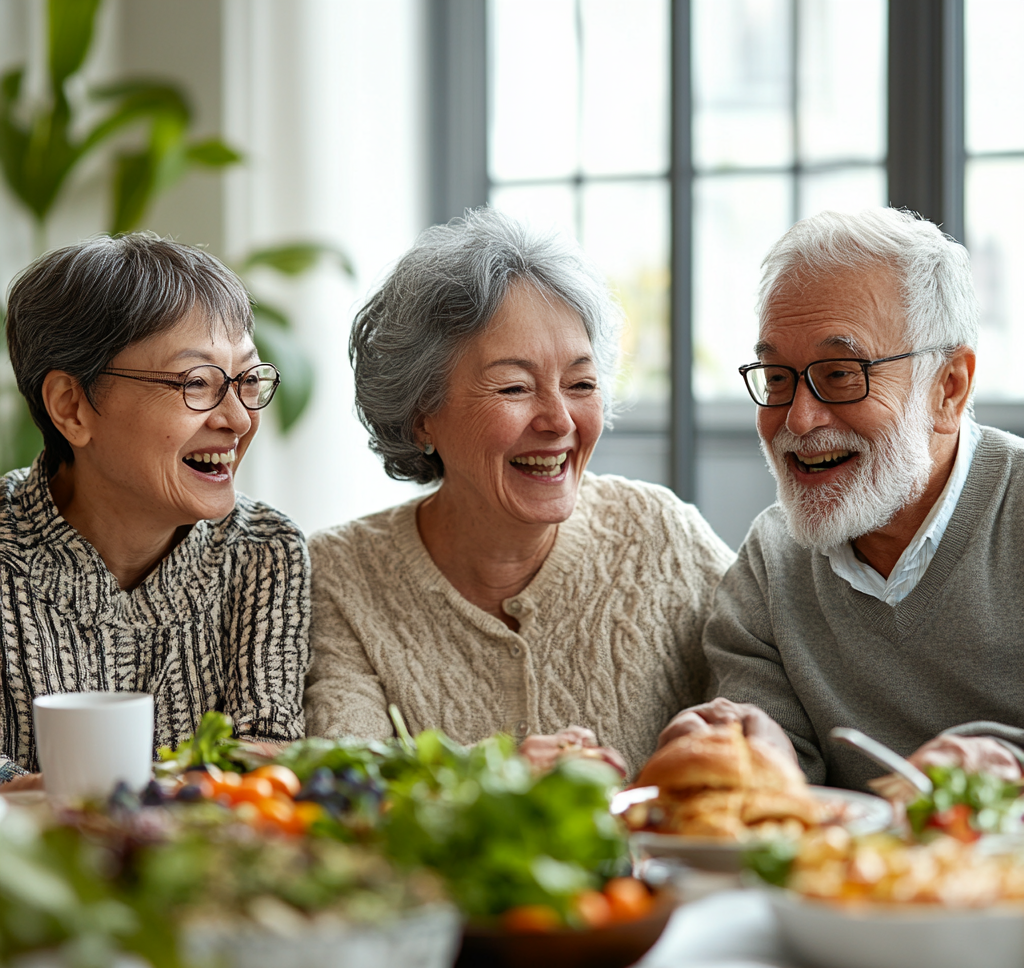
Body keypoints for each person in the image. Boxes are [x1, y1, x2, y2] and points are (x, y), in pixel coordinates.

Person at [304, 208, 733, 778]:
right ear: (420, 415)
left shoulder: (660, 535)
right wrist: (488, 778)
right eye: (514, 387)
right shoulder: (339, 577)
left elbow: (767, 720)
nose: (559, 420)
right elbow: (346, 792)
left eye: (581, 384)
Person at [660, 207, 1024, 792]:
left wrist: (1005, 775)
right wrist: (752, 763)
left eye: (841, 374)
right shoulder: (772, 563)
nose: (799, 420)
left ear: (948, 388)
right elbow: (773, 814)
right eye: (777, 378)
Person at [0, 234, 309, 786]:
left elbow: (264, 758)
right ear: (71, 407)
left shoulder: (266, 551)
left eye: (246, 380)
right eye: (197, 383)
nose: (238, 420)